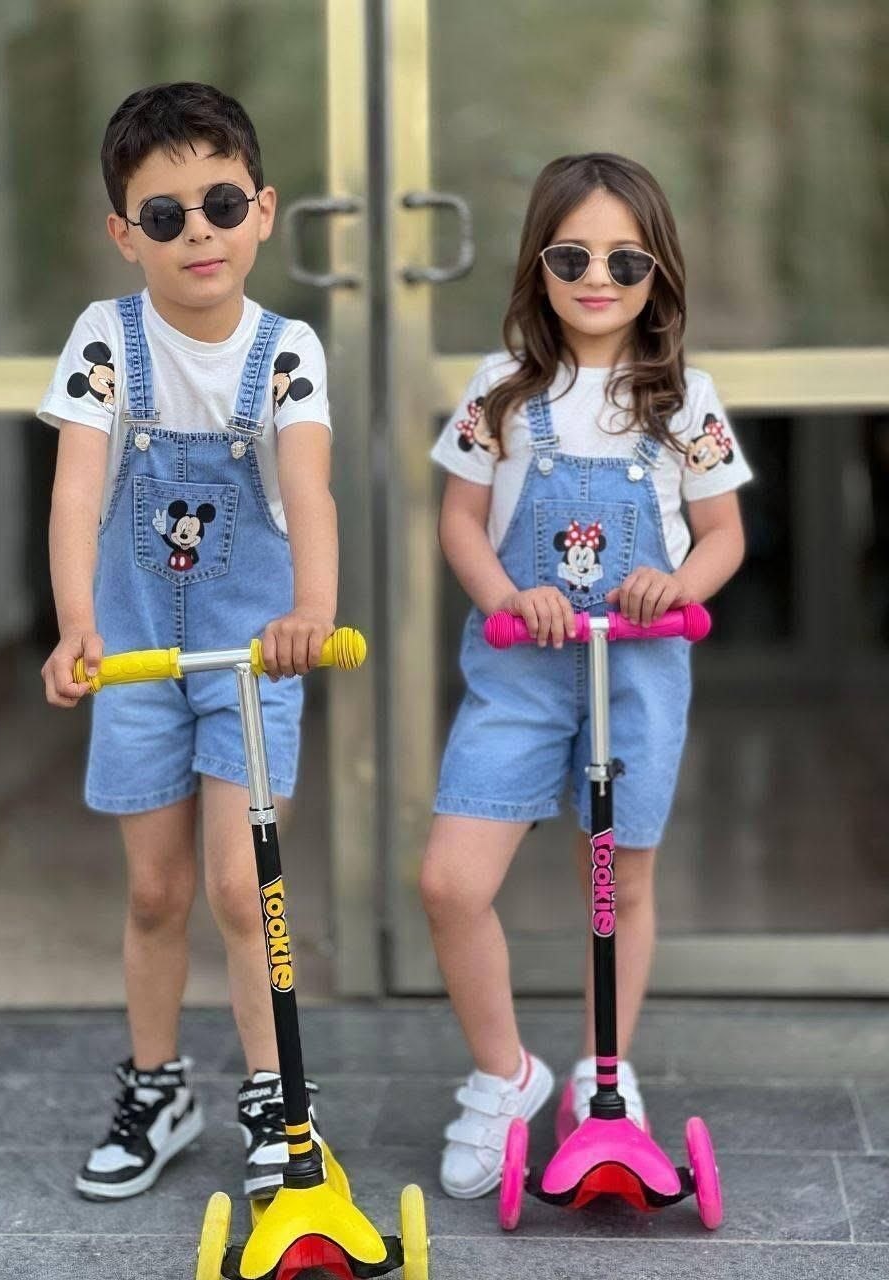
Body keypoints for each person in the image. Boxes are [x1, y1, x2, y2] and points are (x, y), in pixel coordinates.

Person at [422, 153, 751, 1199]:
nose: (597, 277)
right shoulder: (502, 389)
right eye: (572, 257)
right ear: (539, 265)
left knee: (620, 884)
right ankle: (504, 1073)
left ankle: (606, 1072)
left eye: (624, 259)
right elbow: (462, 520)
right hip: (522, 673)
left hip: (638, 671)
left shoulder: (682, 399)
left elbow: (724, 534)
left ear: (658, 274)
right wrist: (507, 596)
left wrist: (677, 583)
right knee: (451, 882)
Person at [38, 82, 337, 1201]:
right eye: (164, 215)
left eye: (220, 203)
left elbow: (308, 490)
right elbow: (78, 494)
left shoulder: (287, 350)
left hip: (251, 656)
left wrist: (311, 612)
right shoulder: (107, 341)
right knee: (156, 892)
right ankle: (158, 1084)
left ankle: (276, 1093)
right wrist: (78, 622)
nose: (197, 232)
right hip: (136, 657)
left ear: (263, 210)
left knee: (242, 885)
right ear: (127, 235)